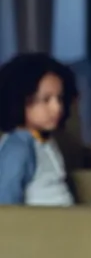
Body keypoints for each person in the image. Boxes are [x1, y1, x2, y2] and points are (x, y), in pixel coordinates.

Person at [0, 53, 78, 206]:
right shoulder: (18, 148)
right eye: (45, 100)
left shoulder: (44, 139)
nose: (57, 108)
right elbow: (5, 202)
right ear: (19, 100)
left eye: (60, 98)